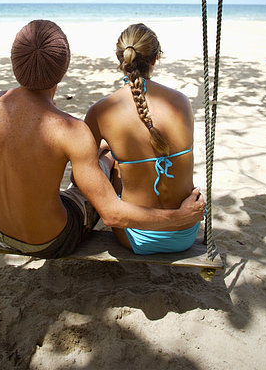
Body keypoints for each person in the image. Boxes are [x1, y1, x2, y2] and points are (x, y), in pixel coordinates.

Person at [0, 19, 205, 259]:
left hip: (1, 232)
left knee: (101, 161)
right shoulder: (71, 130)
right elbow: (111, 214)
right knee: (101, 170)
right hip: (53, 241)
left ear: (15, 62)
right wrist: (181, 218)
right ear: (64, 67)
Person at [85, 23, 201, 255]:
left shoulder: (101, 111)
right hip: (186, 231)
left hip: (135, 237)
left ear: (119, 58)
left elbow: (82, 166)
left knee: (103, 161)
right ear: (155, 58)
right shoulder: (181, 102)